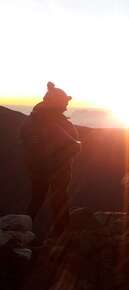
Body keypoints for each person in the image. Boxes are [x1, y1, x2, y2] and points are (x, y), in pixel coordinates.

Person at [20, 82, 81, 236]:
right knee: (59, 201)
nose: (66, 106)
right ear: (57, 104)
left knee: (36, 200)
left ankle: (21, 231)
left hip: (36, 169)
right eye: (65, 103)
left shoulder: (32, 121)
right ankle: (61, 236)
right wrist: (60, 161)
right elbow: (74, 146)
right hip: (57, 171)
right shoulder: (54, 123)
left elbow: (25, 142)